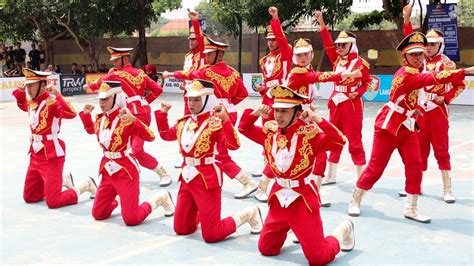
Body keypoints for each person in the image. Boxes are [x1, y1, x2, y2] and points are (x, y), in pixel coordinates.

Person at [347, 32, 474, 223]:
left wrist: (413, 110)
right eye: (414, 54)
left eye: (421, 54)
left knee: (414, 165)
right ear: (404, 57)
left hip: (407, 125)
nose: (419, 57)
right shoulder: (407, 74)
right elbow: (432, 79)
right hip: (389, 126)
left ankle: (411, 208)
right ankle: (355, 199)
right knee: (376, 168)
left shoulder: (418, 70)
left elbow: (416, 91)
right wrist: (464, 71)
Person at [238, 85, 354, 265]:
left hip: (302, 201)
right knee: (266, 249)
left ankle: (343, 230)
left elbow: (339, 140)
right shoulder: (270, 134)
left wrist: (317, 119)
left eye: (284, 111)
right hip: (278, 200)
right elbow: (244, 128)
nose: (278, 116)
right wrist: (255, 112)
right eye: (277, 110)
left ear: (297, 112)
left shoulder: (310, 136)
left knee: (317, 258)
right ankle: (292, 229)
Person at [155, 79, 262, 242]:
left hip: (207, 180)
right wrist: (162, 114)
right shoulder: (184, 122)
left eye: (197, 99)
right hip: (186, 178)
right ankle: (203, 216)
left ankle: (249, 214)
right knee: (181, 228)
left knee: (212, 235)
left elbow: (234, 145)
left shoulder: (215, 124)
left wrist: (226, 120)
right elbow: (165, 135)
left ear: (207, 100)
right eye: (190, 99)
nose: (192, 103)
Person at [163, 36, 257, 199]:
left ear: (219, 55)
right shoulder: (234, 73)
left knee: (219, 153)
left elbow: (188, 74)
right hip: (229, 111)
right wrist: (228, 101)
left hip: (215, 112)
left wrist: (170, 73)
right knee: (215, 149)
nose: (205, 57)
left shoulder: (206, 71)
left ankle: (247, 182)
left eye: (209, 54)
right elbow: (243, 93)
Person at [78, 81, 175, 226]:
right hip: (107, 171)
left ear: (117, 98)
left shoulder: (127, 118)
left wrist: (134, 120)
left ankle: (160, 198)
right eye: (100, 99)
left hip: (126, 171)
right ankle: (119, 198)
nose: (101, 102)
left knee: (131, 219)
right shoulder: (101, 118)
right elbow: (92, 130)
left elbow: (150, 136)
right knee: (98, 214)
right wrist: (85, 116)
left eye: (106, 99)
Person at [399, 4, 466, 203]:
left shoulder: (448, 64)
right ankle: (415, 186)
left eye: (433, 44)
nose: (428, 48)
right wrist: (406, 19)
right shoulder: (417, 62)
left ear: (440, 45)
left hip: (438, 111)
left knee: (441, 149)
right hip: (419, 111)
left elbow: (459, 86)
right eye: (426, 44)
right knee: (418, 150)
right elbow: (409, 43)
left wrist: (445, 98)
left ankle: (447, 189)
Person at [285, 37, 363, 207]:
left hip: (302, 117)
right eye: (299, 56)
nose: (302, 58)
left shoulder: (306, 69)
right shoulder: (299, 72)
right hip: (297, 120)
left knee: (313, 155)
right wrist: (346, 74)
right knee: (300, 156)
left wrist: (308, 107)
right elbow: (320, 77)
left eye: (305, 54)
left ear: (312, 54)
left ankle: (312, 193)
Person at [84, 47, 171, 186]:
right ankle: (117, 179)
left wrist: (89, 85)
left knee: (135, 149)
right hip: (137, 112)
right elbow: (158, 89)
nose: (113, 63)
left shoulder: (116, 74)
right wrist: (145, 102)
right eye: (113, 60)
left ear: (125, 59)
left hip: (133, 114)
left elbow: (100, 82)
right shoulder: (140, 73)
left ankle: (163, 173)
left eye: (116, 60)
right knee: (119, 146)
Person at [11, 68, 96, 209]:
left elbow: (71, 113)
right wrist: (20, 93)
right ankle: (63, 179)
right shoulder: (32, 102)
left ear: (43, 86)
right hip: (35, 153)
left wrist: (58, 95)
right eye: (27, 86)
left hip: (51, 155)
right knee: (30, 197)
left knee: (53, 201)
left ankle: (86, 184)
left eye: (31, 86)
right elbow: (22, 106)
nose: (28, 89)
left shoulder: (53, 102)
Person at [315, 11, 371, 185]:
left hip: (351, 105)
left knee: (354, 140)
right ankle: (331, 175)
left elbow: (367, 83)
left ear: (351, 45)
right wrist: (322, 23)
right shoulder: (336, 61)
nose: (339, 48)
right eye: (338, 45)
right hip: (336, 103)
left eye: (343, 45)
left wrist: (358, 93)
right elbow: (327, 44)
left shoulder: (360, 63)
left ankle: (361, 176)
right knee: (333, 137)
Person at [250, 6, 294, 202]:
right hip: (266, 98)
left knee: (280, 131)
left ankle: (281, 164)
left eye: (273, 39)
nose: (270, 42)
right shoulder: (264, 60)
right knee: (265, 131)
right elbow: (268, 80)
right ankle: (267, 163)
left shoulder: (286, 53)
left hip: (280, 99)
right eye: (268, 40)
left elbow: (283, 41)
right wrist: (262, 88)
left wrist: (275, 19)